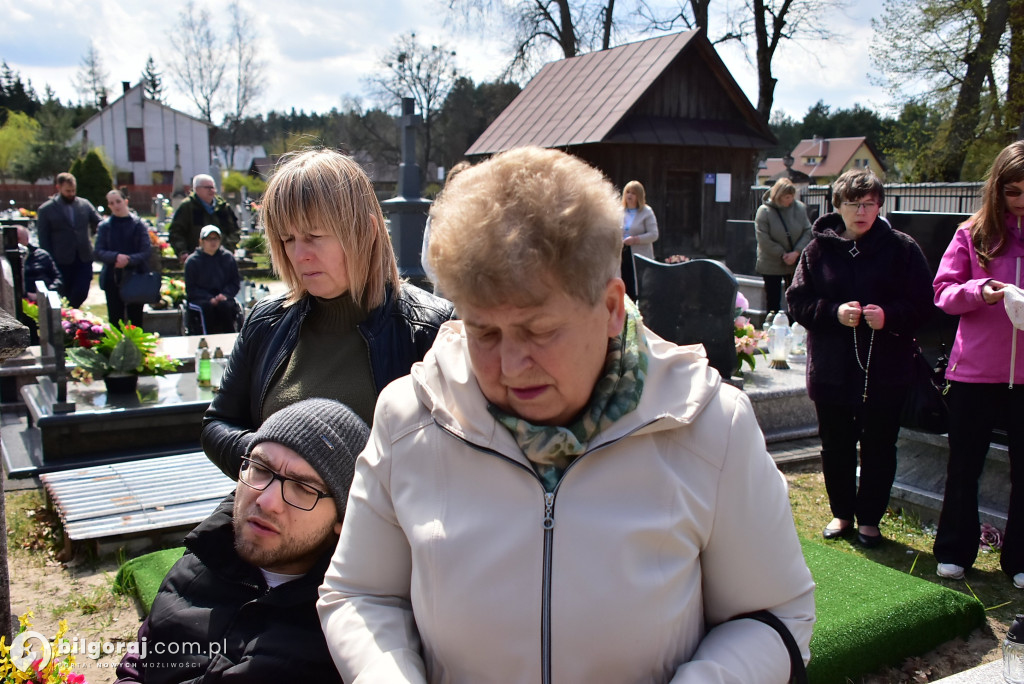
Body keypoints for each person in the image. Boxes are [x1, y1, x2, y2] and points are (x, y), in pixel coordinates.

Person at [319, 146, 815, 683]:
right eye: (483, 331)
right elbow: (361, 594)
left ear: (609, 307)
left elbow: (773, 615)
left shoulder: (710, 425)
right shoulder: (409, 419)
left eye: (539, 330)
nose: (509, 364)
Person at [201, 148, 453, 480]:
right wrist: (270, 463)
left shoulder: (431, 330)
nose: (299, 255)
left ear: (366, 231)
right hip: (270, 517)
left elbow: (456, 458)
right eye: (288, 239)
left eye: (314, 236)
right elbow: (217, 424)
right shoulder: (266, 321)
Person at [114, 398, 369, 684]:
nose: (267, 500)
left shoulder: (345, 633)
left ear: (343, 519)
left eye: (302, 487)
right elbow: (141, 661)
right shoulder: (202, 557)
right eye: (260, 469)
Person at [787, 169, 933, 548]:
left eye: (869, 203)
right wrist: (833, 312)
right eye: (853, 203)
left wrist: (890, 316)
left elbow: (924, 304)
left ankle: (870, 519)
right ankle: (842, 512)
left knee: (880, 444)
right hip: (832, 369)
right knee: (835, 443)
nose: (862, 211)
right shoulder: (817, 251)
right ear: (838, 206)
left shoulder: (902, 248)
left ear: (880, 206)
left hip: (885, 369)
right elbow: (797, 302)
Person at [932, 140, 1024, 586]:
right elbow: (944, 293)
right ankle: (954, 550)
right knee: (964, 466)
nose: (1021, 202)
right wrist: (979, 290)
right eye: (1013, 192)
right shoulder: (973, 234)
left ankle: (1020, 559)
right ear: (997, 190)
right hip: (973, 374)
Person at [35, 172, 101, 308]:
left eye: (73, 190)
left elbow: (99, 222)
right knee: (64, 291)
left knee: (81, 291)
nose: (71, 193)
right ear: (58, 187)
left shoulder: (84, 204)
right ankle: (67, 318)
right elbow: (43, 237)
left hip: (84, 257)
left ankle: (71, 313)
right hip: (60, 259)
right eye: (67, 191)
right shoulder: (46, 209)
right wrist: (48, 260)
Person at [94, 189, 152, 328]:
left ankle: (137, 349)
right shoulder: (105, 226)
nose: (116, 205)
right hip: (112, 278)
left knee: (136, 321)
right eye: (111, 203)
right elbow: (98, 251)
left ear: (126, 201)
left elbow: (145, 251)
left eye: (118, 201)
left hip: (135, 277)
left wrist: (128, 260)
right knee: (115, 319)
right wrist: (115, 257)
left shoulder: (138, 225)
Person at [755, 178, 812, 314]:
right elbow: (763, 237)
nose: (790, 200)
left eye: (792, 196)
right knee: (773, 299)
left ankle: (794, 326)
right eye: (787, 197)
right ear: (778, 196)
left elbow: (807, 230)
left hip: (794, 260)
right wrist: (782, 254)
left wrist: (796, 252)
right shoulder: (764, 211)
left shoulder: (799, 208)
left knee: (795, 298)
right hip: (771, 262)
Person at [421, 160, 471, 294]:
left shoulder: (481, 216)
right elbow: (428, 257)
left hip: (473, 292)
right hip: (445, 291)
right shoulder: (437, 215)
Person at [168, 174, 240, 263]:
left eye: (213, 187)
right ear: (197, 189)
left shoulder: (223, 207)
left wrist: (228, 248)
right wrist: (182, 252)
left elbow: (234, 230)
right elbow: (176, 232)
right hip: (196, 258)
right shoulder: (187, 207)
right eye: (208, 188)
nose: (212, 190)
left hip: (221, 257)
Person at [184, 225, 242, 333]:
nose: (213, 242)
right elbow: (191, 289)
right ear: (201, 241)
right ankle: (207, 339)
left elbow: (234, 282)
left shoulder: (228, 258)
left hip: (223, 297)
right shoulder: (192, 261)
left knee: (225, 306)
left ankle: (230, 339)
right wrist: (209, 298)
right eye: (209, 239)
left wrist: (224, 295)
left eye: (215, 238)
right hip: (201, 298)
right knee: (206, 307)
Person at [619, 179, 658, 300]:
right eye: (628, 192)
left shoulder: (646, 212)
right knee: (623, 285)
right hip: (622, 253)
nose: (629, 195)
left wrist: (636, 239)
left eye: (633, 193)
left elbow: (654, 235)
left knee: (638, 286)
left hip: (638, 254)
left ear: (639, 196)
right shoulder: (619, 211)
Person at [16, 226, 62, 300]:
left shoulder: (42, 255)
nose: (16, 242)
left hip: (44, 296)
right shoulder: (8, 260)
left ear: (27, 239)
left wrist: (46, 293)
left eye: (18, 239)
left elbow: (58, 278)